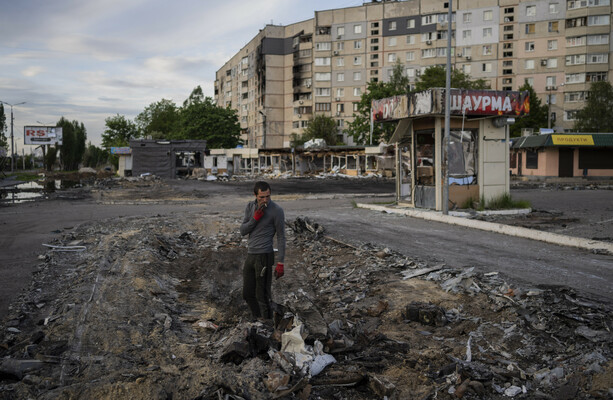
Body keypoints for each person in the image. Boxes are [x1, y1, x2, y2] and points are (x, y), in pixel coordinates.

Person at [239, 181, 286, 320]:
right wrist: (254, 218)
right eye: (262, 197)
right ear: (255, 195)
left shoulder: (276, 210)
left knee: (263, 296)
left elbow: (281, 237)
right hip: (251, 254)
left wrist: (280, 262)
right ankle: (258, 319)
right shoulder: (250, 206)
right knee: (247, 293)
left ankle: (268, 325)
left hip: (264, 255)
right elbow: (243, 231)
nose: (265, 200)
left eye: (268, 196)